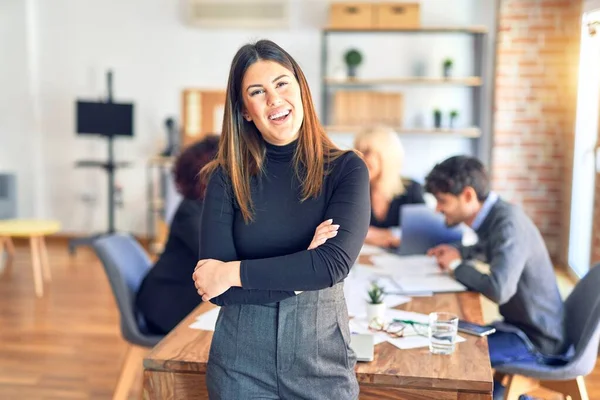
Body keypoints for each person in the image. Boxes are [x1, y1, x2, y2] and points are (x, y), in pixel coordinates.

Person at [192, 40, 370, 399]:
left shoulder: (346, 170)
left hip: (321, 361)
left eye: (281, 83)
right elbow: (218, 296)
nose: (274, 99)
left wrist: (231, 273)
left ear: (301, 89)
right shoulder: (226, 178)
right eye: (257, 92)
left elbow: (331, 264)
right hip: (238, 364)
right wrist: (303, 271)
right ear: (245, 110)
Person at [424, 156, 569, 400]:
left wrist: (457, 265)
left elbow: (500, 289)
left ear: (468, 195)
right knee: (451, 338)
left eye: (442, 200)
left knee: (454, 352)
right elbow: (487, 248)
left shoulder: (507, 224)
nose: (437, 208)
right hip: (519, 327)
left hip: (537, 341)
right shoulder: (496, 217)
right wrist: (459, 252)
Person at [135, 135, 219, 335]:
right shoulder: (190, 212)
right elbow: (217, 255)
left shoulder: (206, 207)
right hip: (165, 306)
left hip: (180, 298)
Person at [354, 126, 425, 248]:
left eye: (366, 152)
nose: (359, 159)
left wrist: (380, 234)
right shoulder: (354, 190)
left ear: (386, 156)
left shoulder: (412, 189)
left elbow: (422, 234)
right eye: (357, 152)